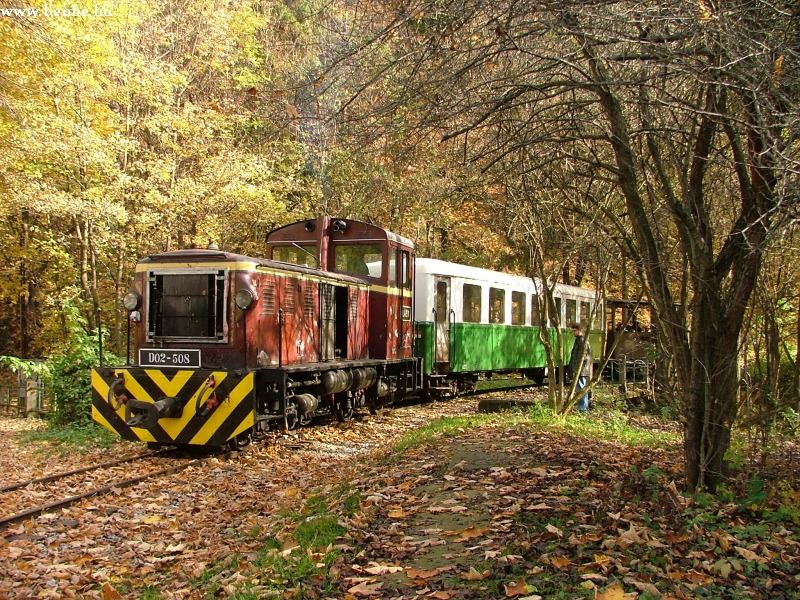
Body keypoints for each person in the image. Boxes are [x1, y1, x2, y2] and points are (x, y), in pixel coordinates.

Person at [567, 322, 592, 412]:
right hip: (580, 370)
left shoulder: (582, 341)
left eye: (575, 331)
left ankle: (583, 409)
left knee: (581, 389)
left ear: (580, 330)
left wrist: (577, 370)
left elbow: (583, 358)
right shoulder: (579, 340)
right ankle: (583, 408)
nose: (573, 333)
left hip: (581, 371)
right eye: (572, 331)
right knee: (580, 389)